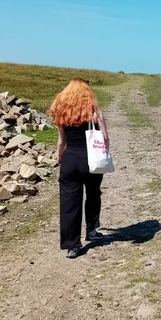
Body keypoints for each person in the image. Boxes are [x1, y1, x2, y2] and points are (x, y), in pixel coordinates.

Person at [48, 78, 111, 259]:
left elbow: (62, 141)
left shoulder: (62, 111)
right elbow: (105, 138)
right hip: (91, 159)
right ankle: (91, 230)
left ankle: (72, 245)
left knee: (69, 202)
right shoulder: (94, 110)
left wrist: (60, 156)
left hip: (70, 159)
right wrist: (105, 153)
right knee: (93, 194)